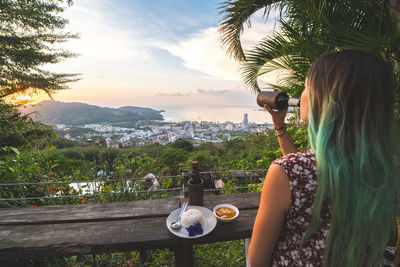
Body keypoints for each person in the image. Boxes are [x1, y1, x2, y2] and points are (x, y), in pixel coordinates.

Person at [248, 49, 399, 267]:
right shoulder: (384, 169)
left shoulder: (283, 173)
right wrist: (279, 127)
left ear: (325, 99)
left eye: (306, 86)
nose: (300, 95)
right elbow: (310, 175)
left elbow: (257, 261)